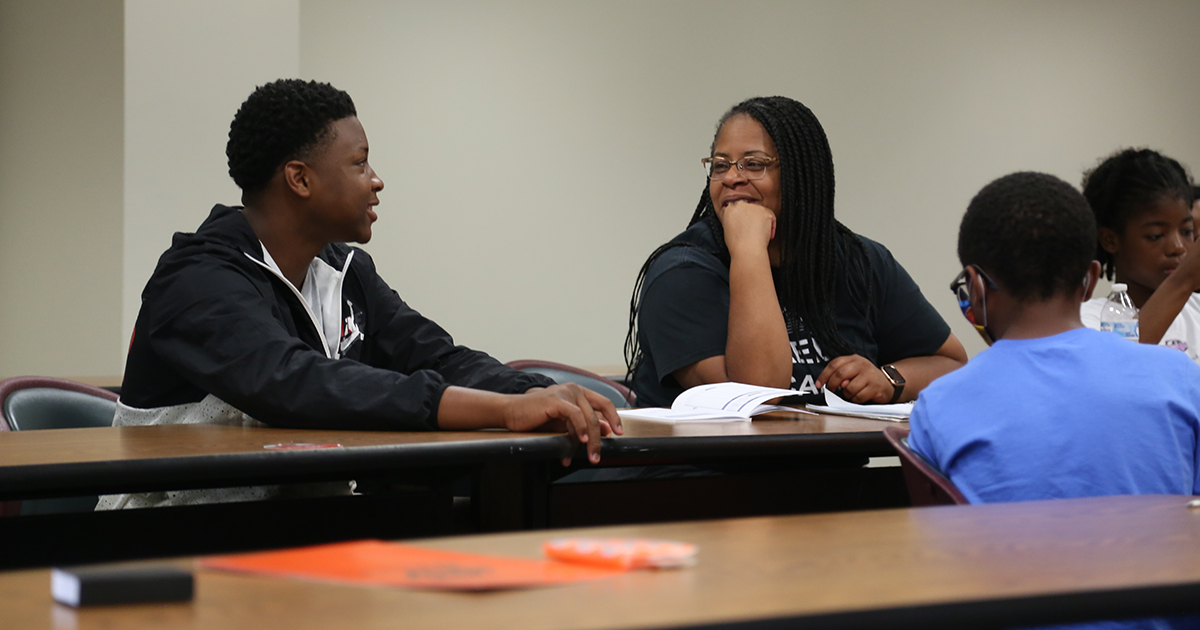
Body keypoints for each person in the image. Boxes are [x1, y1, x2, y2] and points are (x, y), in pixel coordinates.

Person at [99, 79, 620, 509]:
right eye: (359, 163)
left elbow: (438, 356)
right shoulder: (195, 279)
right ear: (300, 179)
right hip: (160, 544)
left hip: (302, 524)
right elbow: (295, 382)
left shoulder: (345, 271)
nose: (376, 181)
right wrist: (501, 412)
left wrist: (527, 393)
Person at [908, 171, 1200, 630]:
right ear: (1091, 278)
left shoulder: (940, 403)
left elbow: (938, 563)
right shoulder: (1179, 377)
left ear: (974, 287)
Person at [625, 96, 966, 408]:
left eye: (753, 164)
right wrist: (748, 250)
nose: (731, 177)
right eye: (720, 165)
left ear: (800, 175)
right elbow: (757, 398)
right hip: (706, 473)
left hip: (830, 468)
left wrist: (889, 379)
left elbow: (951, 363)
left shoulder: (859, 261)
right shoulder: (681, 271)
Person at [1079, 149, 1199, 362]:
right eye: (1156, 235)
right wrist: (1183, 281)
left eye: (1187, 231)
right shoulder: (1087, 321)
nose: (1178, 247)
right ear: (1110, 240)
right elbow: (1116, 369)